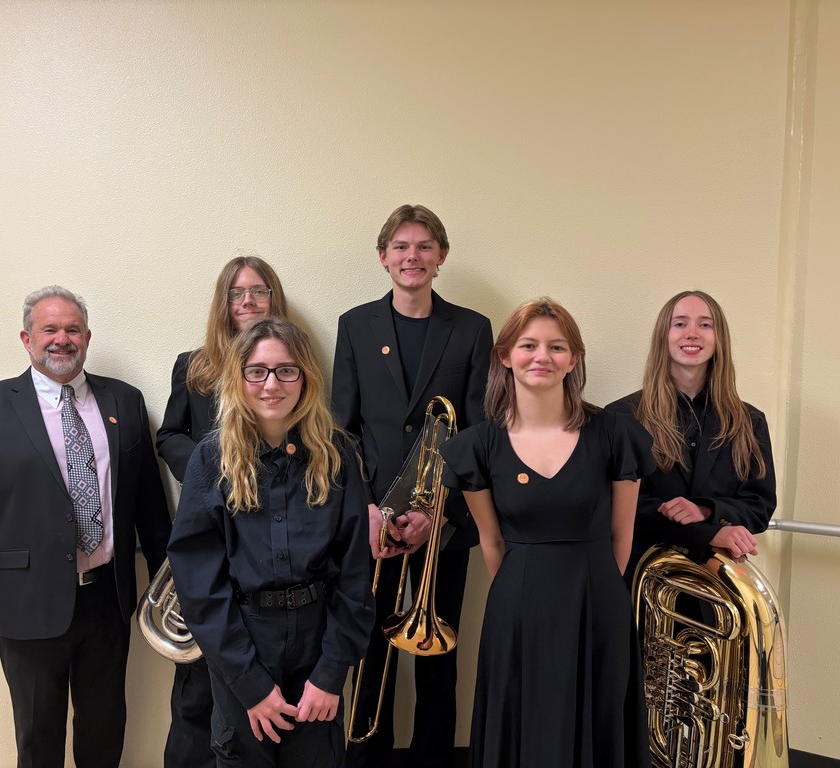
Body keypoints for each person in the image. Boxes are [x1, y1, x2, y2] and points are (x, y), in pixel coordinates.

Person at [0, 285, 171, 768]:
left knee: (105, 730)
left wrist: (175, 581)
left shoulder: (124, 401)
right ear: (27, 338)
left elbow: (149, 504)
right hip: (30, 604)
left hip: (109, 599)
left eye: (72, 329)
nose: (61, 339)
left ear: (87, 337)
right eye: (50, 329)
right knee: (38, 738)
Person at [440, 298, 653, 768]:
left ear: (573, 360)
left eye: (557, 347)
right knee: (523, 723)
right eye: (529, 345)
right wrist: (526, 593)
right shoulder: (478, 445)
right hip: (517, 608)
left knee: (599, 721)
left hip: (598, 604)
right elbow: (492, 543)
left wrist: (595, 594)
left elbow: (623, 536)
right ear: (505, 356)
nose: (542, 356)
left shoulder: (616, 435)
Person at [167, 317, 375, 768]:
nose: (271, 384)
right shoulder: (211, 458)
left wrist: (332, 672)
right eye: (257, 371)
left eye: (286, 370)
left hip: (318, 643)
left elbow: (356, 574)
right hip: (243, 639)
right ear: (239, 379)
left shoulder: (338, 456)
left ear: (306, 378)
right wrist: (249, 684)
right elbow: (200, 585)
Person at [332, 204, 492, 768]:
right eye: (400, 246)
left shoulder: (472, 329)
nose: (412, 257)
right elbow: (341, 430)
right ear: (383, 258)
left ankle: (432, 757)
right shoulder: (355, 325)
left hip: (441, 523)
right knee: (370, 646)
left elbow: (476, 433)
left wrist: (440, 515)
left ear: (441, 257)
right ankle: (366, 755)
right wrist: (370, 509)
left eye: (424, 246)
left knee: (437, 654)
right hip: (376, 520)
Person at [156, 256, 290, 768]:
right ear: (224, 303)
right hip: (211, 537)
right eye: (238, 293)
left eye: (260, 291)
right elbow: (168, 437)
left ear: (273, 300)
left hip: (272, 546)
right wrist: (217, 469)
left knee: (264, 679)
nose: (249, 302)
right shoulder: (195, 366)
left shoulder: (292, 366)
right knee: (194, 686)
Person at [605, 290, 776, 579]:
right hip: (638, 580)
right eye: (680, 323)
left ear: (718, 338)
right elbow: (618, 507)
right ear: (664, 336)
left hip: (714, 586)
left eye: (705, 324)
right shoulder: (621, 416)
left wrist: (706, 510)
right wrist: (708, 534)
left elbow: (760, 507)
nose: (692, 333)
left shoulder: (751, 421)